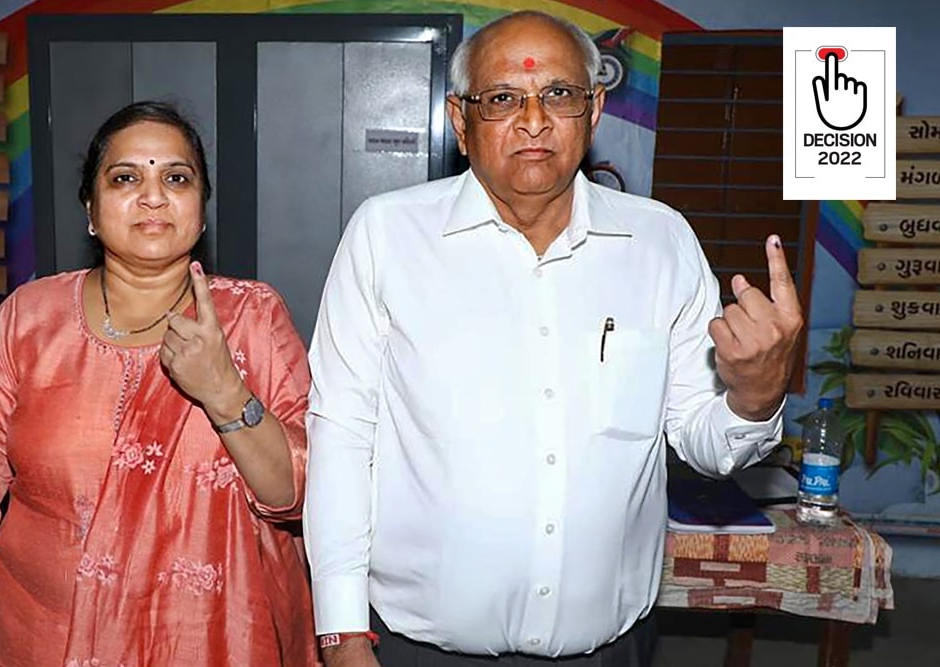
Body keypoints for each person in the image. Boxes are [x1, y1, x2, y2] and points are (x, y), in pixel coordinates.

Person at [304, 11, 802, 667]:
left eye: (559, 94)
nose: (533, 119)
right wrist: (340, 633)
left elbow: (704, 443)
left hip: (608, 649)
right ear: (460, 120)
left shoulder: (659, 243)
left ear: (594, 110)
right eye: (503, 98)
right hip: (416, 647)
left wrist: (755, 397)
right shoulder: (387, 237)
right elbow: (341, 432)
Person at [0, 102, 318, 667]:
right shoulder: (29, 321)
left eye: (176, 177)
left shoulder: (253, 318)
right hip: (41, 643)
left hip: (210, 645)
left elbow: (298, 495)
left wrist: (225, 391)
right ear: (91, 211)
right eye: (126, 178)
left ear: (200, 210)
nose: (153, 196)